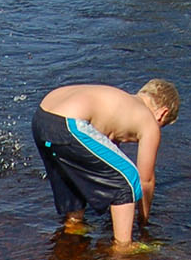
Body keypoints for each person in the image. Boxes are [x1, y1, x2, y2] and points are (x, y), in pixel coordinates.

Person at [31, 81, 179, 244]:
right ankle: (123, 247)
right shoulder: (149, 121)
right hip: (69, 123)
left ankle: (74, 225)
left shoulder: (120, 100)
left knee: (73, 171)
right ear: (162, 114)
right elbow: (146, 180)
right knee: (128, 179)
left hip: (42, 117)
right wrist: (143, 222)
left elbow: (102, 158)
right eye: (162, 125)